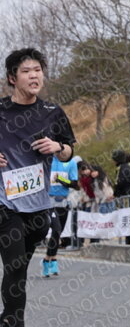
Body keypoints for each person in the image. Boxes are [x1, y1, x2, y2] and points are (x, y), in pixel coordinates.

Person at [0, 48, 76, 327]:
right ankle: (14, 322)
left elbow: (68, 152)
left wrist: (58, 147)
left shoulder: (52, 113)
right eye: (26, 71)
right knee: (15, 265)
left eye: (38, 70)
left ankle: (7, 319)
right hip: (5, 204)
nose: (34, 76)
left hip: (38, 206)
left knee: (19, 268)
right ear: (12, 78)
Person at [43, 155, 79, 276]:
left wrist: (62, 180)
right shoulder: (46, 159)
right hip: (48, 202)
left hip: (63, 203)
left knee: (58, 233)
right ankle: (50, 260)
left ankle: (50, 258)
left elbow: (74, 184)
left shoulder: (71, 163)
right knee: (56, 228)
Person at [111, 150, 130, 245]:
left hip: (127, 196)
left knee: (127, 218)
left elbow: (119, 182)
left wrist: (115, 193)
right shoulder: (127, 167)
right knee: (129, 218)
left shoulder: (122, 168)